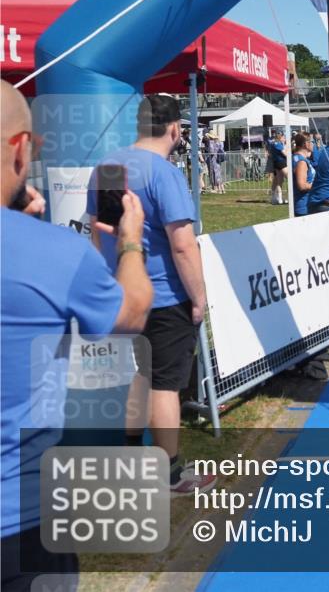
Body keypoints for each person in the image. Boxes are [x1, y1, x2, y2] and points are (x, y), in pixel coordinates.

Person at [2, 80, 152, 590]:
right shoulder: (52, 254)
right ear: (20, 148)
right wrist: (130, 242)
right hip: (18, 520)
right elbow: (130, 314)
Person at [86, 95, 214, 496]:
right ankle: (171, 473)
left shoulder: (108, 166)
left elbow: (98, 230)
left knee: (137, 379)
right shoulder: (165, 174)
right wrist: (199, 297)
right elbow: (182, 245)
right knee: (163, 385)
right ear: (175, 129)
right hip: (163, 296)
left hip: (121, 293)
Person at [291, 132, 315, 217]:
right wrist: (317, 185)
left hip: (303, 205)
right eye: (312, 141)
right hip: (303, 207)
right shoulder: (301, 162)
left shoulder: (297, 157)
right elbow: (302, 186)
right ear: (306, 144)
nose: (313, 144)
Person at [266, 131, 287, 205]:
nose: (284, 139)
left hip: (277, 163)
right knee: (287, 178)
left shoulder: (277, 143)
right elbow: (285, 154)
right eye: (283, 137)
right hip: (280, 163)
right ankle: (279, 198)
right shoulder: (277, 144)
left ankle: (278, 198)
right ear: (280, 137)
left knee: (278, 181)